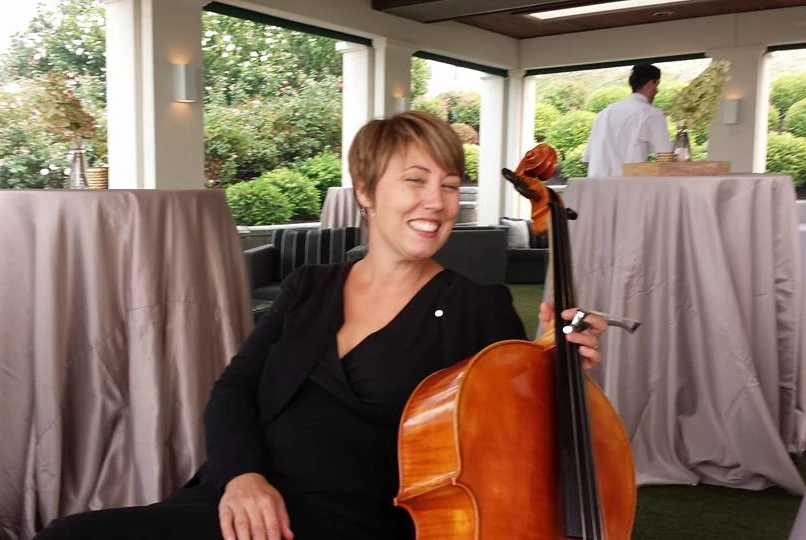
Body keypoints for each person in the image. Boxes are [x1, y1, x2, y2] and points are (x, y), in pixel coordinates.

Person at [35, 111, 606, 540]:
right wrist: (242, 477)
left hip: (352, 517)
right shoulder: (310, 286)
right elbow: (235, 389)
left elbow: (519, 439)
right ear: (365, 192)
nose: (437, 201)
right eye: (415, 180)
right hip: (242, 497)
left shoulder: (478, 306)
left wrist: (557, 363)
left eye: (450, 185)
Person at [583, 63, 673, 176]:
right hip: (628, 186)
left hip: (597, 186)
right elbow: (665, 157)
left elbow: (588, 159)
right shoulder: (652, 114)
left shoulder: (604, 113)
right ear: (651, 83)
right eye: (657, 85)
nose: (657, 91)